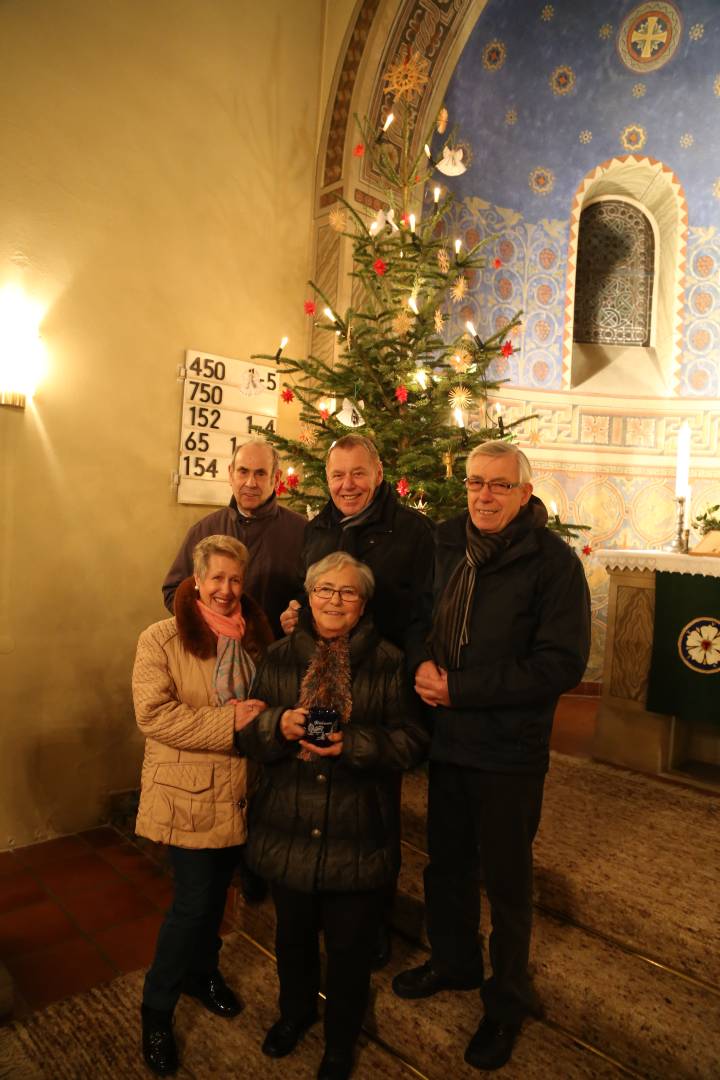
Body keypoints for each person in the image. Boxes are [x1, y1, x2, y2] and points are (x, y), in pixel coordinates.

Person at [392, 441, 591, 1072]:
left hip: (509, 750)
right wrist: (422, 662)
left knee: (506, 882)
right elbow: (419, 616)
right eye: (476, 482)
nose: (484, 495)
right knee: (446, 863)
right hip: (448, 742)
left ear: (525, 493)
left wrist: (462, 689)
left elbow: (561, 663)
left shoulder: (553, 564)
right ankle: (453, 962)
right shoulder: (447, 542)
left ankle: (506, 1001)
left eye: (500, 486)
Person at [236, 552, 429, 1080]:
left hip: (357, 831)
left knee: (348, 950)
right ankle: (294, 1013)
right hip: (288, 824)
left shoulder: (390, 663)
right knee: (292, 938)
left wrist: (357, 744)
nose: (334, 601)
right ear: (308, 594)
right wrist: (279, 725)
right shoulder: (276, 659)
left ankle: (340, 1042)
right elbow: (245, 734)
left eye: (346, 593)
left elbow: (413, 742)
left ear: (363, 603)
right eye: (324, 590)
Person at [133, 535, 273, 1076]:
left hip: (241, 790)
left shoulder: (256, 638)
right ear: (195, 581)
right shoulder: (162, 639)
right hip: (187, 794)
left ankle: (202, 973)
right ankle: (157, 1010)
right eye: (215, 578)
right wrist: (230, 721)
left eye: (236, 579)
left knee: (217, 896)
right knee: (191, 904)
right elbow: (154, 715)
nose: (226, 589)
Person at [280, 434, 434, 651]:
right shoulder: (315, 530)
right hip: (322, 667)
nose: (348, 485)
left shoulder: (417, 531)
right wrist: (296, 612)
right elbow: (304, 591)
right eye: (338, 475)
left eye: (358, 473)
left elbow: (431, 612)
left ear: (378, 474)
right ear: (328, 478)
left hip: (391, 672)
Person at [163, 438, 306, 637]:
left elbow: (319, 593)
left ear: (276, 477)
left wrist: (300, 613)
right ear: (231, 474)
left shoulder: (302, 531)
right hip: (212, 656)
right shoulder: (204, 530)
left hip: (278, 658)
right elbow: (173, 591)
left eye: (260, 473)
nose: (250, 483)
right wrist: (207, 625)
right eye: (243, 471)